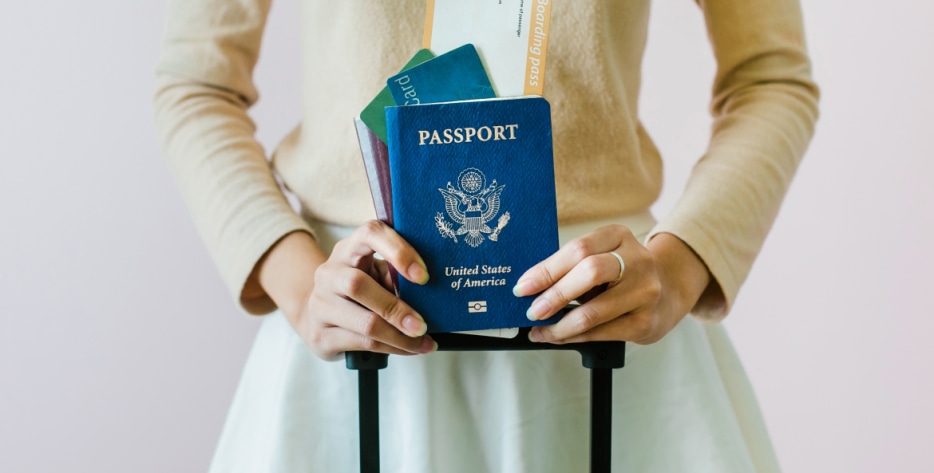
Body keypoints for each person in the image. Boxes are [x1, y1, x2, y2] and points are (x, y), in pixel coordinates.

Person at [154, 0, 818, 471]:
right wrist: (299, 286)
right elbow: (195, 83)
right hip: (354, 332)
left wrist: (681, 265)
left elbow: (771, 78)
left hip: (605, 324)